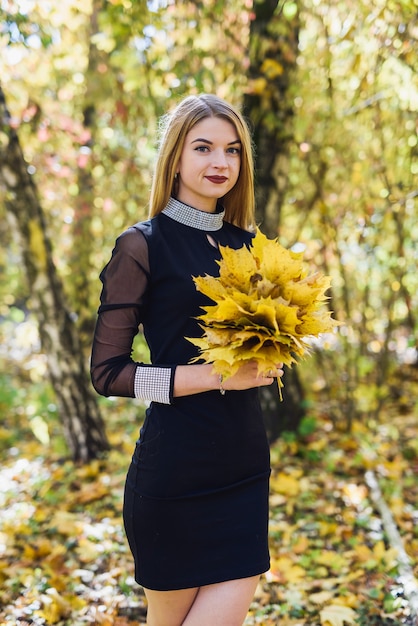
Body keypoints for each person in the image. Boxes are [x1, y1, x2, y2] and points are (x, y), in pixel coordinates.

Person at [90, 93, 284, 626]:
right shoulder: (141, 245)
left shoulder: (252, 247)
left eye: (232, 150)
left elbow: (258, 348)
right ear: (175, 157)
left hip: (244, 468)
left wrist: (271, 355)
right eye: (203, 148)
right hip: (174, 472)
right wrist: (213, 375)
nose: (220, 163)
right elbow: (107, 374)